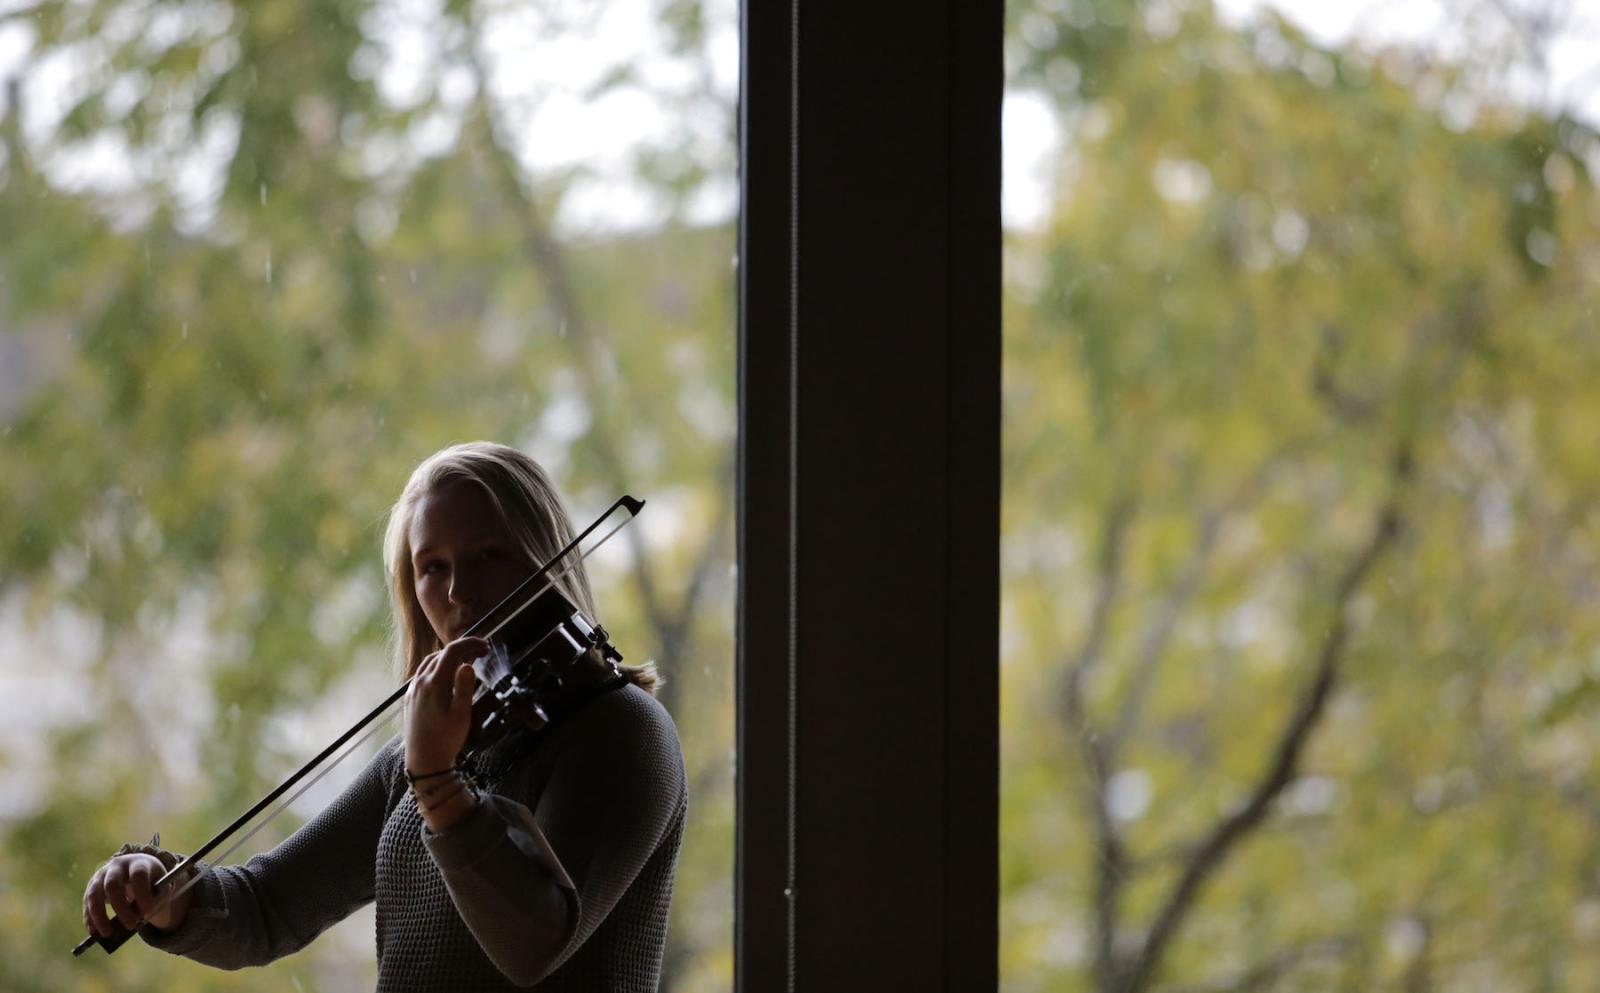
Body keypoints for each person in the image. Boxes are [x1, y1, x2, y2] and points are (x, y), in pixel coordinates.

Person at [80, 442, 687, 992]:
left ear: (543, 558)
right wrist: (163, 893)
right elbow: (269, 909)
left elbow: (534, 945)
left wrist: (440, 786)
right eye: (434, 567)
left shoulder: (624, 733)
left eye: (489, 554)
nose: (459, 592)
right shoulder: (433, 753)